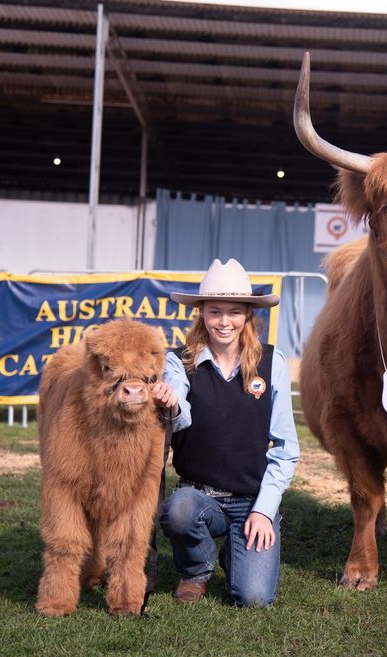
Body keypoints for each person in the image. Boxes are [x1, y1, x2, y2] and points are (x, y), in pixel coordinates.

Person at [151, 258, 299, 607]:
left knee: (253, 598)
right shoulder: (179, 361)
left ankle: (239, 550)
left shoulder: (271, 362)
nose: (224, 321)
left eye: (234, 312)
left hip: (251, 500)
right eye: (215, 311)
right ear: (201, 312)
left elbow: (285, 447)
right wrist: (171, 403)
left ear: (248, 315)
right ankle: (196, 570)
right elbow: (180, 409)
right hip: (199, 496)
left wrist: (264, 510)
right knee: (178, 510)